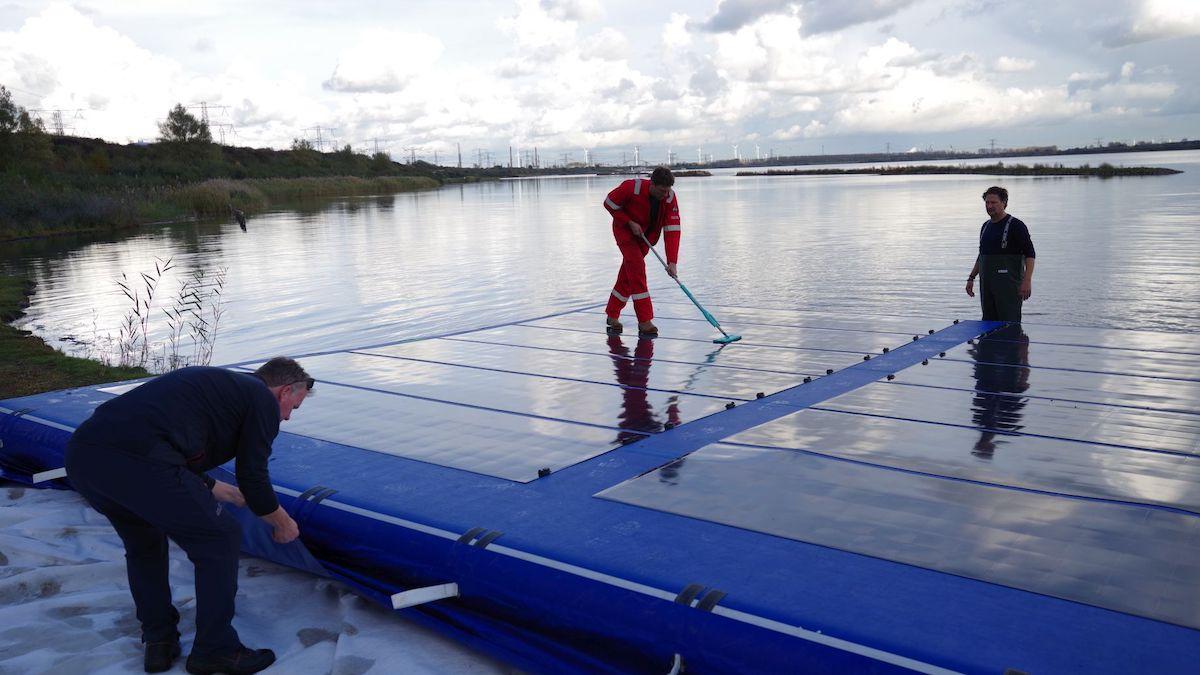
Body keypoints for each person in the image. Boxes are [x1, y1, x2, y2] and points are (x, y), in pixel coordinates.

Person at [64, 358, 312, 674]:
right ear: (284, 390)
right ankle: (216, 649)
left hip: (85, 457)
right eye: (293, 407)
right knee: (220, 537)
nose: (288, 416)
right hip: (140, 461)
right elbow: (253, 475)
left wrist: (215, 487)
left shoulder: (220, 388)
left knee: (145, 545)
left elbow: (165, 440)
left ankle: (159, 641)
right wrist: (281, 522)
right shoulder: (260, 397)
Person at [602, 166, 682, 336]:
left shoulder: (669, 198)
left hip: (646, 238)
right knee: (637, 268)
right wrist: (629, 221)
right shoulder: (632, 188)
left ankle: (612, 313)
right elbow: (608, 203)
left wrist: (672, 262)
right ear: (652, 184)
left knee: (628, 274)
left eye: (667, 191)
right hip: (625, 233)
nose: (664, 195)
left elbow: (672, 230)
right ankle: (645, 321)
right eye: (661, 191)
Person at [966, 186, 1036, 321]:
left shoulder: (1016, 225)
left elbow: (1030, 254)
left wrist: (1027, 281)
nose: (989, 206)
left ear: (1004, 203)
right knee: (987, 321)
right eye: (987, 202)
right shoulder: (985, 226)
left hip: (1008, 286)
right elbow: (982, 255)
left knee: (1010, 323)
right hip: (987, 285)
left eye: (993, 202)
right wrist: (971, 278)